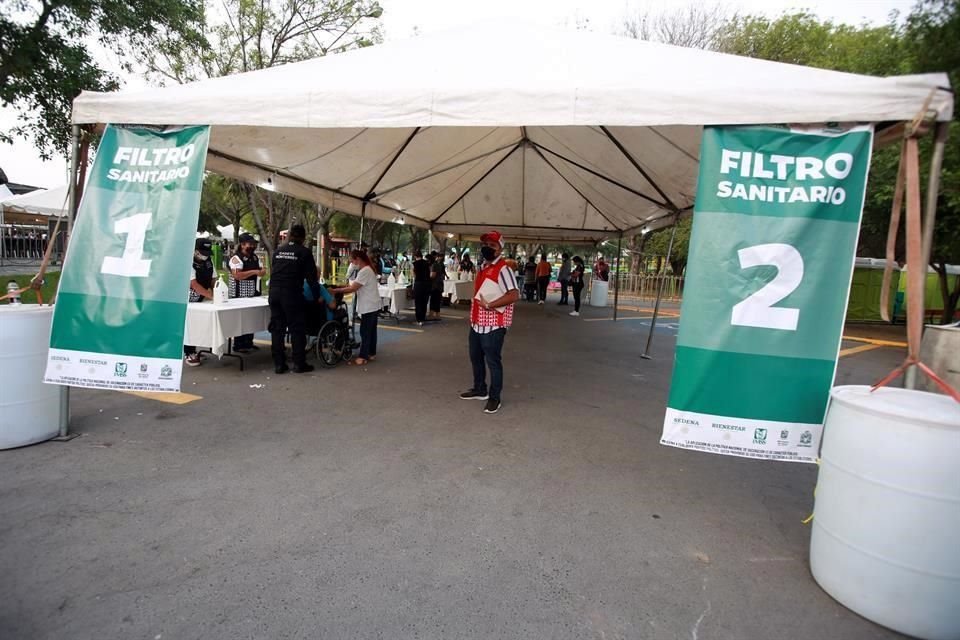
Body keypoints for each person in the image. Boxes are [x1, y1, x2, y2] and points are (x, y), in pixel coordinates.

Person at [460, 230, 519, 414]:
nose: (487, 248)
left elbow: (514, 294)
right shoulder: (484, 267)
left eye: (492, 245)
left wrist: (491, 304)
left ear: (500, 248)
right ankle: (480, 389)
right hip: (477, 322)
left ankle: (495, 397)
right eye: (485, 244)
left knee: (493, 361)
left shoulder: (504, 269)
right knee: (475, 357)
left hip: (494, 324)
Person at [269, 224, 318, 374]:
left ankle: (279, 364)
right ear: (303, 238)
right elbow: (312, 278)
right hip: (291, 294)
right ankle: (299, 363)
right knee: (297, 329)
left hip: (274, 293)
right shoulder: (304, 252)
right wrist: (316, 297)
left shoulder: (278, 251)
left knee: (278, 329)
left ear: (290, 236)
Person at [331, 250, 380, 365]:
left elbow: (352, 288)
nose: (352, 263)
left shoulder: (365, 271)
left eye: (352, 261)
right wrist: (340, 287)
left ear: (358, 259)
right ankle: (371, 353)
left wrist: (335, 290)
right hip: (372, 304)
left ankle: (363, 356)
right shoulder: (368, 269)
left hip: (369, 305)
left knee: (365, 331)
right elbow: (353, 285)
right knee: (372, 331)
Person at [228, 233, 266, 353]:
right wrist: (255, 271)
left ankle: (249, 342)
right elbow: (237, 275)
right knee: (241, 320)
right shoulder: (236, 258)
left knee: (251, 319)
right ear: (242, 245)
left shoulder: (254, 257)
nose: (252, 246)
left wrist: (262, 271)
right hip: (239, 293)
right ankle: (239, 344)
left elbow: (262, 269)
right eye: (250, 244)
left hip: (253, 292)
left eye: (253, 244)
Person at [184, 238, 215, 367]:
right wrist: (212, 295)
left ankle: (194, 350)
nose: (205, 256)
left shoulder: (208, 261)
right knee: (189, 325)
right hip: (187, 298)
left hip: (201, 299)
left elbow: (213, 278)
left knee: (197, 324)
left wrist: (219, 289)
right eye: (202, 253)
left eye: (207, 253)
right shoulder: (186, 261)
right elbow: (193, 284)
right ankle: (188, 353)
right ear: (195, 251)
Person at [412, 250, 431, 325]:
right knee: (424, 302)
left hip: (419, 283)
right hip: (427, 284)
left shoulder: (414, 264)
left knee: (418, 302)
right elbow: (428, 273)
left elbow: (414, 275)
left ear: (415, 256)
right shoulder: (427, 263)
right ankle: (423, 318)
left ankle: (419, 320)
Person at [429, 251, 445, 319]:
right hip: (439, 284)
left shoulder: (434, 265)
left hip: (435, 285)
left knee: (433, 300)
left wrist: (428, 277)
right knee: (437, 300)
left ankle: (431, 314)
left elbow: (433, 275)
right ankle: (437, 314)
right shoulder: (439, 264)